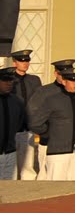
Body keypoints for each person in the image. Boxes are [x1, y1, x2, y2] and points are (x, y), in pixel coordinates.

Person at [28, 59, 75, 180]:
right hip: (51, 144)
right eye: (63, 73)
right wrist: (51, 132)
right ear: (57, 74)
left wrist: (73, 128)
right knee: (46, 178)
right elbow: (34, 118)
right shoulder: (45, 92)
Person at [8, 49, 42, 179]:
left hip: (28, 128)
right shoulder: (8, 80)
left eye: (27, 60)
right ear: (14, 63)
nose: (25, 63)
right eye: (22, 61)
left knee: (28, 166)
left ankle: (28, 186)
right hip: (11, 128)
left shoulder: (34, 80)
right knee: (10, 165)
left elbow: (39, 102)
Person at [0, 67, 26, 180]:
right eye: (5, 80)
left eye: (11, 80)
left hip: (10, 152)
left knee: (10, 186)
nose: (9, 83)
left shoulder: (17, 101)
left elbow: (19, 123)